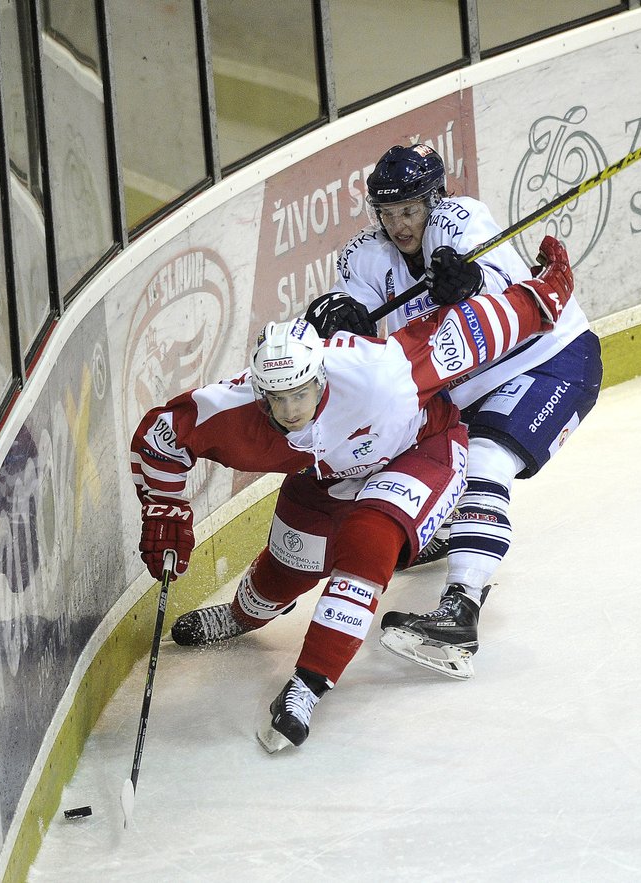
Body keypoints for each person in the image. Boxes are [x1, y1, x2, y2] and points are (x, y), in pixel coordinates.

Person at [130, 235, 574, 751]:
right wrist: (162, 506)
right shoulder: (239, 415)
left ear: (321, 377)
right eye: (279, 399)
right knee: (284, 572)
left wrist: (546, 292)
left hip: (420, 449)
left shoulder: (382, 376)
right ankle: (242, 615)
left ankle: (306, 689)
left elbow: (475, 332)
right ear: (258, 394)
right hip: (326, 476)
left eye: (302, 393)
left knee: (368, 543)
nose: (292, 409)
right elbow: (162, 435)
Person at [305, 144, 602, 680]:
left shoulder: (463, 219)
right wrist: (342, 321)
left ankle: (460, 615)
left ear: (433, 200)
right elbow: (358, 323)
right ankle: (443, 530)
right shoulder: (363, 255)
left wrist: (467, 283)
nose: (399, 225)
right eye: (388, 213)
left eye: (410, 211)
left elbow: (505, 286)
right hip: (463, 387)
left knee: (486, 461)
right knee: (390, 454)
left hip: (548, 359)